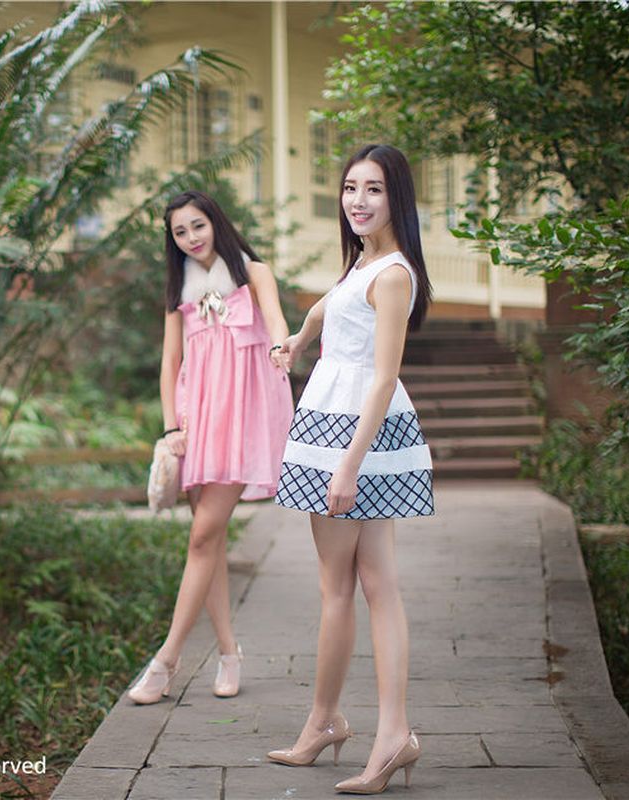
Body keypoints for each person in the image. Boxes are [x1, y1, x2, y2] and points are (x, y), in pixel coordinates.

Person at [267, 144, 435, 795]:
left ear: (397, 197)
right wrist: (300, 340)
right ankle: (344, 725)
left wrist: (347, 467)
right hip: (338, 430)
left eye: (372, 189)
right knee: (371, 584)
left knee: (345, 587)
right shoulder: (363, 264)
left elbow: (386, 375)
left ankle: (351, 726)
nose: (357, 200)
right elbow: (327, 307)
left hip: (351, 437)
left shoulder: (392, 274)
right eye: (349, 188)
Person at [127, 189, 294, 704]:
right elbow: (169, 362)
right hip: (196, 420)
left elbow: (277, 323)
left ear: (215, 222)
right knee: (211, 542)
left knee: (201, 537)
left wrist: (283, 347)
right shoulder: (180, 291)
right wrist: (170, 427)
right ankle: (228, 654)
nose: (191, 238)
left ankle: (166, 661)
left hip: (241, 419)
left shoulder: (253, 273)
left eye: (197, 225)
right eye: (180, 232)